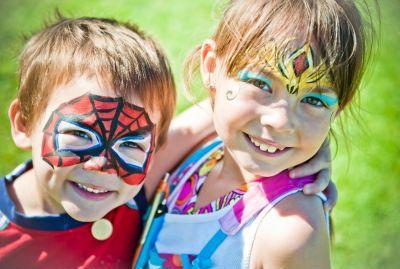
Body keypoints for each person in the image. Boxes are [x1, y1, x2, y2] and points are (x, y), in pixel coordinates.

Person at [0, 14, 335, 269]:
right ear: (24, 123)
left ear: (155, 146)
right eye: (79, 134)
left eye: (130, 143)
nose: (102, 164)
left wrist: (304, 138)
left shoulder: (133, 183)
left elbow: (233, 116)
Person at [143, 0, 375, 268]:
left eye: (314, 101)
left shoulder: (290, 233)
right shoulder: (197, 149)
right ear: (211, 68)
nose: (280, 121)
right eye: (260, 83)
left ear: (337, 111)